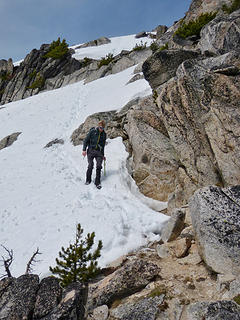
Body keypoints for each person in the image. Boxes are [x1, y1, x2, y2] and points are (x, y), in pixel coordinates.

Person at [82, 120, 106, 189]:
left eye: (103, 128)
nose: (101, 129)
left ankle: (97, 182)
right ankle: (88, 180)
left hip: (99, 152)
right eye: (100, 127)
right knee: (90, 165)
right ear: (98, 126)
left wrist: (103, 155)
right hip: (90, 151)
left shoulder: (104, 134)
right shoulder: (92, 132)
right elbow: (86, 141)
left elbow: (103, 146)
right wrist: (84, 150)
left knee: (99, 166)